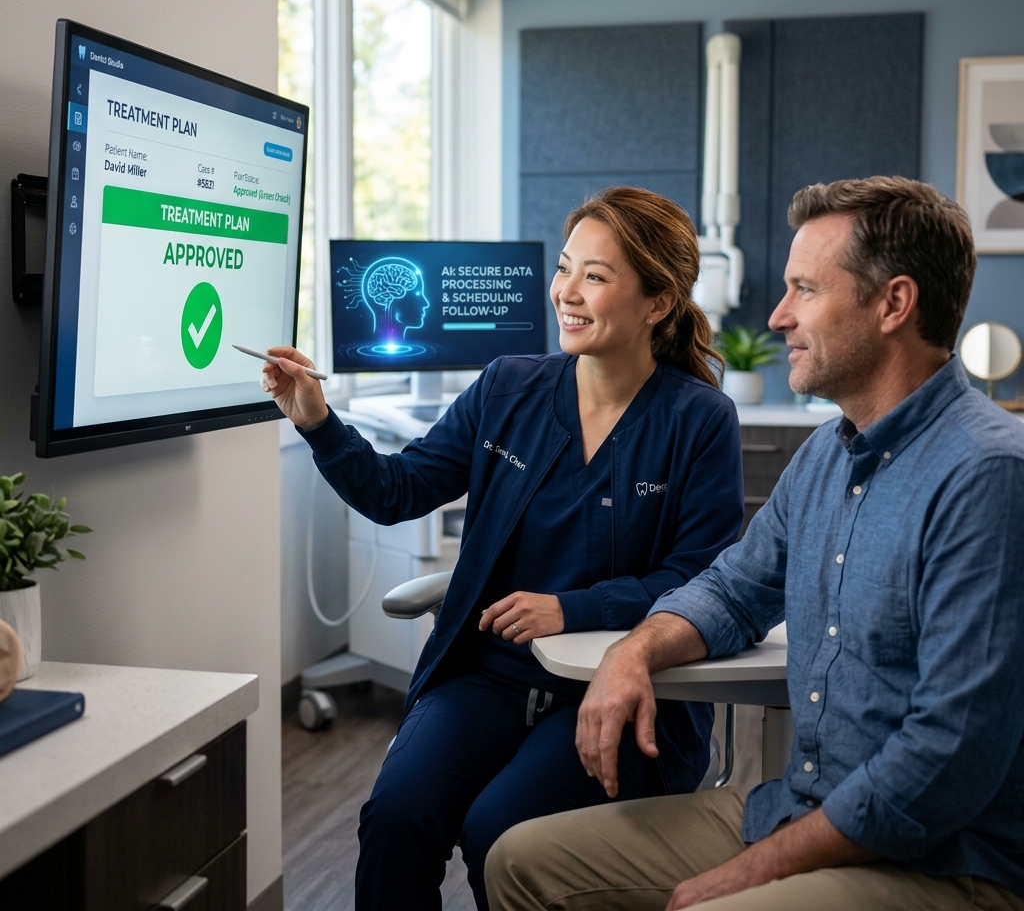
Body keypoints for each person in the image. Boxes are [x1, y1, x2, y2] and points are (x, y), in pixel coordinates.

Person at [485, 176, 1024, 911]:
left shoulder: (987, 476)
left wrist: (753, 871)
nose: (777, 317)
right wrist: (632, 652)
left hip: (936, 860)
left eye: (804, 290)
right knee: (518, 859)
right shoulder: (828, 457)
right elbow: (731, 590)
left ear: (894, 304)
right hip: (795, 807)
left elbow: (948, 759)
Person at [263, 187, 745, 910]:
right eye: (565, 267)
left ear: (658, 303)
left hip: (613, 686)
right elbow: (398, 491)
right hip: (488, 675)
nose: (567, 293)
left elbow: (698, 579)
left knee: (500, 831)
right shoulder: (507, 388)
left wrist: (569, 609)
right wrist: (318, 423)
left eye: (596, 275)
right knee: (396, 818)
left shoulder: (699, 420)